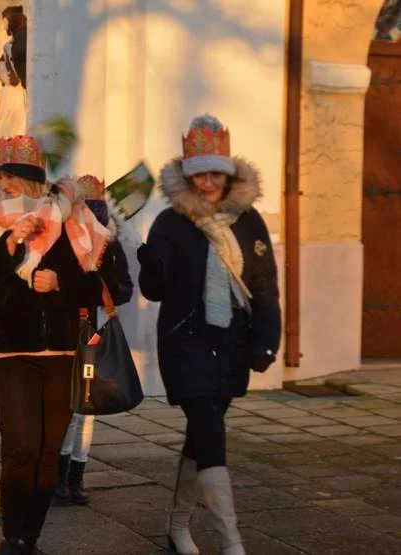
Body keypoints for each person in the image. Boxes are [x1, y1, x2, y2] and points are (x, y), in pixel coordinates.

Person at [0, 135, 118, 554]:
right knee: (21, 446)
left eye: (13, 177)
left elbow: (104, 285)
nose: (5, 184)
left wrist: (61, 284)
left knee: (49, 451)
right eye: (2, 176)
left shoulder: (74, 221)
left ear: (34, 182)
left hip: (62, 351)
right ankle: (12, 537)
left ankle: (30, 538)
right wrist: (11, 241)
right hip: (12, 349)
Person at [137, 115, 281, 555]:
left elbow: (263, 286)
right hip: (187, 342)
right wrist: (150, 262)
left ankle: (177, 527)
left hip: (232, 343)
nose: (209, 181)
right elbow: (153, 290)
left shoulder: (249, 220)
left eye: (216, 172)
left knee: (203, 433)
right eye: (200, 173)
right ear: (188, 175)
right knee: (210, 431)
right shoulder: (170, 223)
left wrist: (266, 339)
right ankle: (230, 542)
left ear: (229, 172)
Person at [53, 175, 134, 507]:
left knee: (89, 408)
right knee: (71, 407)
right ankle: (59, 476)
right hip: (70, 332)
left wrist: (103, 283)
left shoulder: (111, 246)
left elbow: (125, 288)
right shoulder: (63, 243)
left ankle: (76, 476)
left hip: (97, 332)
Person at [0, 6, 28, 138]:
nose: (3, 27)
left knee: (16, 128)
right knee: (8, 128)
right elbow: (3, 64)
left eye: (5, 22)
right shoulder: (13, 41)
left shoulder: (21, 38)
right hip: (10, 92)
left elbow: (18, 65)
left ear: (12, 21)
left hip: (16, 93)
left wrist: (11, 75)